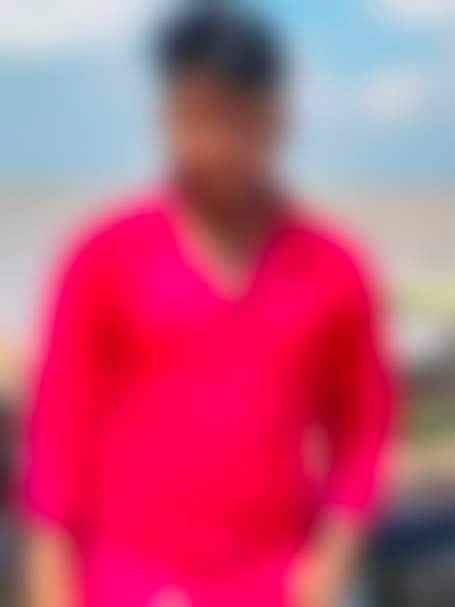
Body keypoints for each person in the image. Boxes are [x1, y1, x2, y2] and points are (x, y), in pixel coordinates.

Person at [22, 6, 393, 607]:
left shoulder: (333, 268)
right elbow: (58, 432)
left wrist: (331, 564)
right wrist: (48, 586)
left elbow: (364, 427)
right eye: (195, 116)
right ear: (167, 116)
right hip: (126, 582)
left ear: (275, 117)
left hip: (277, 581)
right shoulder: (102, 256)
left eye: (234, 117)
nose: (215, 143)